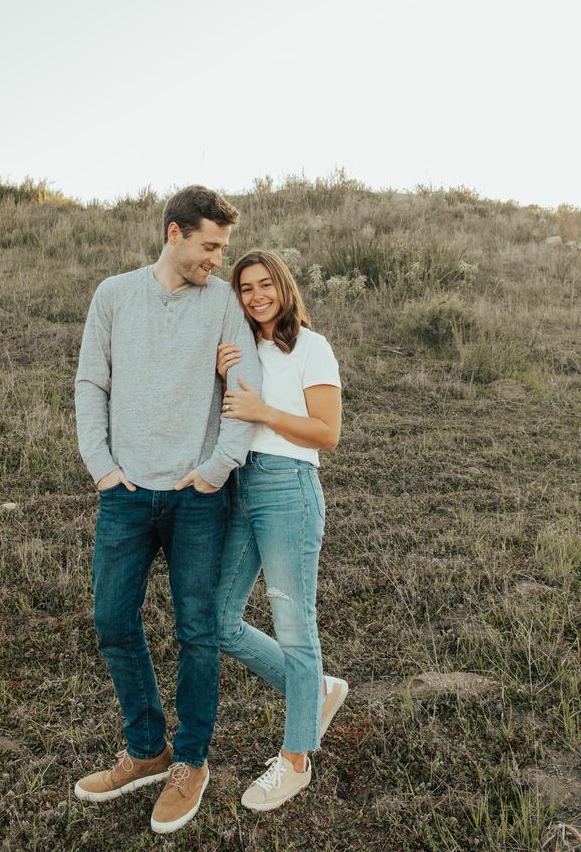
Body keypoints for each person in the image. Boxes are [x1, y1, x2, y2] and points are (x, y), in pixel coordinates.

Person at [73, 186, 261, 836]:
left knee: (196, 632)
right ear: (175, 234)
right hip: (125, 493)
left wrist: (214, 471)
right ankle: (146, 747)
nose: (218, 259)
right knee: (112, 619)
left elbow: (246, 389)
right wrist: (102, 464)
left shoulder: (222, 306)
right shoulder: (114, 295)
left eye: (222, 248)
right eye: (210, 246)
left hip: (197, 498)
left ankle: (189, 761)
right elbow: (91, 381)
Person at [215, 250, 348, 812]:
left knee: (295, 627)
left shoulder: (311, 347)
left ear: (284, 287)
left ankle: (295, 760)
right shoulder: (243, 347)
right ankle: (314, 690)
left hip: (289, 487)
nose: (256, 295)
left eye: (265, 284)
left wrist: (262, 410)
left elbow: (327, 432)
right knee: (219, 619)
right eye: (245, 288)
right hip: (242, 485)